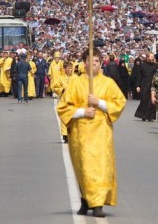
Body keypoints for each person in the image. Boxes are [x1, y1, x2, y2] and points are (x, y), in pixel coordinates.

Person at [56, 48, 126, 218]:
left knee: (101, 167)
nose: (93, 64)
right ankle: (85, 200)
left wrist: (99, 102)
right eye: (90, 60)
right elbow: (63, 107)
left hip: (101, 131)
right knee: (84, 166)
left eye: (96, 61)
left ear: (100, 63)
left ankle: (98, 203)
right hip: (81, 132)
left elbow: (120, 102)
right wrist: (82, 112)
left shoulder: (108, 83)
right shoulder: (75, 83)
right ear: (84, 63)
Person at [134, 54, 157, 122]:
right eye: (151, 57)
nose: (153, 58)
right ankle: (143, 115)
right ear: (147, 58)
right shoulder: (142, 65)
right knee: (144, 100)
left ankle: (151, 116)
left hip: (153, 85)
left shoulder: (155, 65)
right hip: (144, 85)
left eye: (153, 57)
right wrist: (138, 86)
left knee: (152, 101)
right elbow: (139, 76)